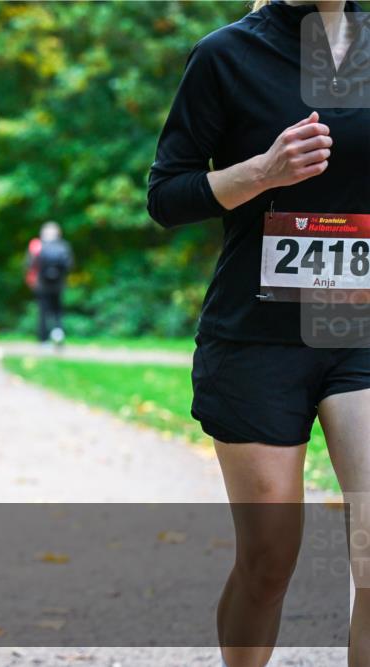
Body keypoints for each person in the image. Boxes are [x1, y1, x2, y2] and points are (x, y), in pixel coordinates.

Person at [147, 1, 369, 665]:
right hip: (257, 338)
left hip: (359, 328)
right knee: (270, 561)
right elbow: (166, 194)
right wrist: (262, 173)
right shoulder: (226, 55)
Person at [30, 222, 73, 345]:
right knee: (56, 312)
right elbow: (69, 265)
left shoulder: (38, 245)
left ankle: (44, 339)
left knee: (45, 312)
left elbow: (31, 264)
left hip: (44, 285)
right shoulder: (63, 246)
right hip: (56, 285)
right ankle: (57, 336)